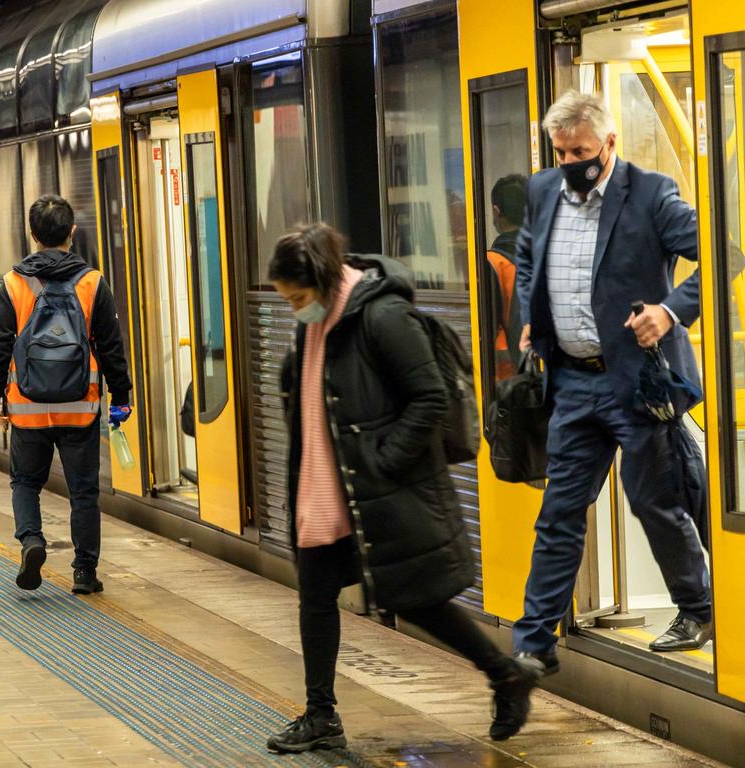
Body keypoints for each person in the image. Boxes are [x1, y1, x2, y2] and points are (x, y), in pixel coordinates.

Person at [266, 223, 538, 754]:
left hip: (378, 487)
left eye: (298, 299)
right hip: (328, 486)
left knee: (416, 598)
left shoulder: (384, 317)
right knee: (316, 596)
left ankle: (506, 674)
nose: (294, 310)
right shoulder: (318, 320)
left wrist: (386, 460)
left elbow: (431, 398)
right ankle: (321, 713)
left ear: (322, 281)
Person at [512, 91, 710, 691]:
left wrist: (670, 312)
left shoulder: (650, 194)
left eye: (581, 151)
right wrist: (532, 316)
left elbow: (721, 252)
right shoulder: (545, 191)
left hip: (637, 382)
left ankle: (697, 608)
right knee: (559, 513)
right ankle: (533, 641)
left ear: (609, 143)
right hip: (571, 381)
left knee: (654, 501)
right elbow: (527, 261)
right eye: (561, 151)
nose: (570, 161)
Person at [0, 195, 132, 595]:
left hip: (28, 406)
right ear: (72, 232)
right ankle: (84, 572)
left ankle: (32, 541)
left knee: (25, 482)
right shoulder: (91, 281)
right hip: (79, 406)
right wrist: (121, 395)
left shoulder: (15, 282)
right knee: (84, 492)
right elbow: (111, 346)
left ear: (32, 235)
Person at [486, 175, 528, 381]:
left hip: (510, 375)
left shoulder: (493, 261)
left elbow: (489, 327)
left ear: (497, 211)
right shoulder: (549, 251)